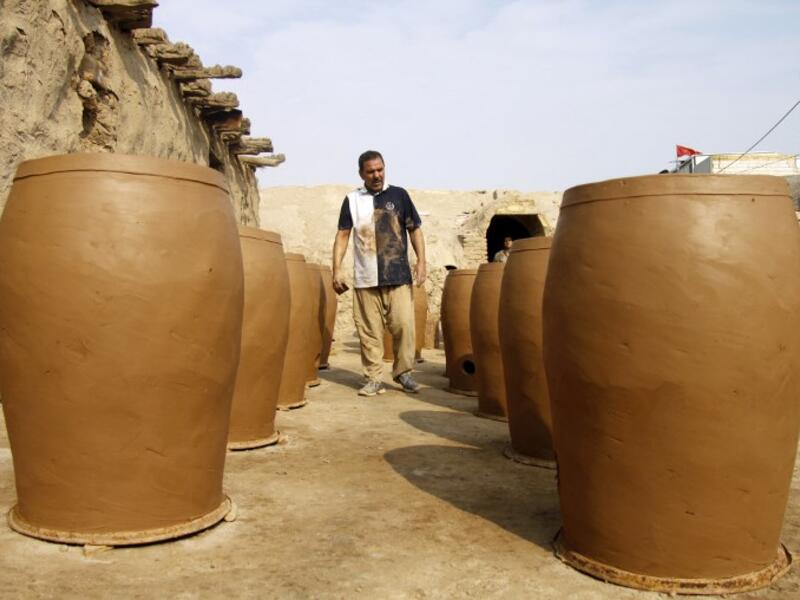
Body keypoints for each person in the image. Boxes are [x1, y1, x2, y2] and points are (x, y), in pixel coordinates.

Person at [332, 150, 427, 396]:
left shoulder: (400, 195)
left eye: (380, 169)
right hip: (366, 278)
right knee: (369, 332)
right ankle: (373, 378)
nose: (376, 175)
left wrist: (421, 261)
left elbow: (414, 229)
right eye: (371, 171)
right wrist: (337, 269)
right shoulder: (352, 200)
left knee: (404, 326)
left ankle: (403, 373)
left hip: (398, 275)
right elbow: (343, 235)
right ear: (361, 174)